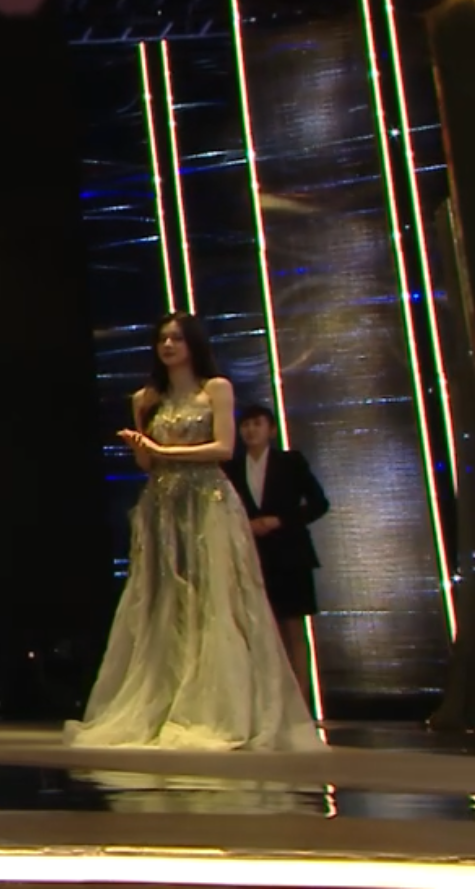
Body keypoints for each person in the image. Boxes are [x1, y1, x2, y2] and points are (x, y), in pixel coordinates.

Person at [66, 312, 322, 751]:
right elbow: (147, 464)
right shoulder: (146, 398)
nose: (168, 345)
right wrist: (142, 449)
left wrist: (164, 450)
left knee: (216, 599)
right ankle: (165, 701)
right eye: (162, 339)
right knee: (164, 601)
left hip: (207, 501)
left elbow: (223, 447)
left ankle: (222, 706)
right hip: (162, 505)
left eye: (177, 338)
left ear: (193, 344)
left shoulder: (215, 389)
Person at [222, 403, 330, 699]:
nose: (250, 430)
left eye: (257, 424)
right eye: (245, 425)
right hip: (251, 555)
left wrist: (280, 520)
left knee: (293, 626)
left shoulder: (291, 462)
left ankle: (301, 698)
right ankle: (269, 699)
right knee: (259, 628)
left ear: (271, 430)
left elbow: (319, 504)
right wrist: (246, 524)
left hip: (290, 554)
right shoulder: (231, 468)